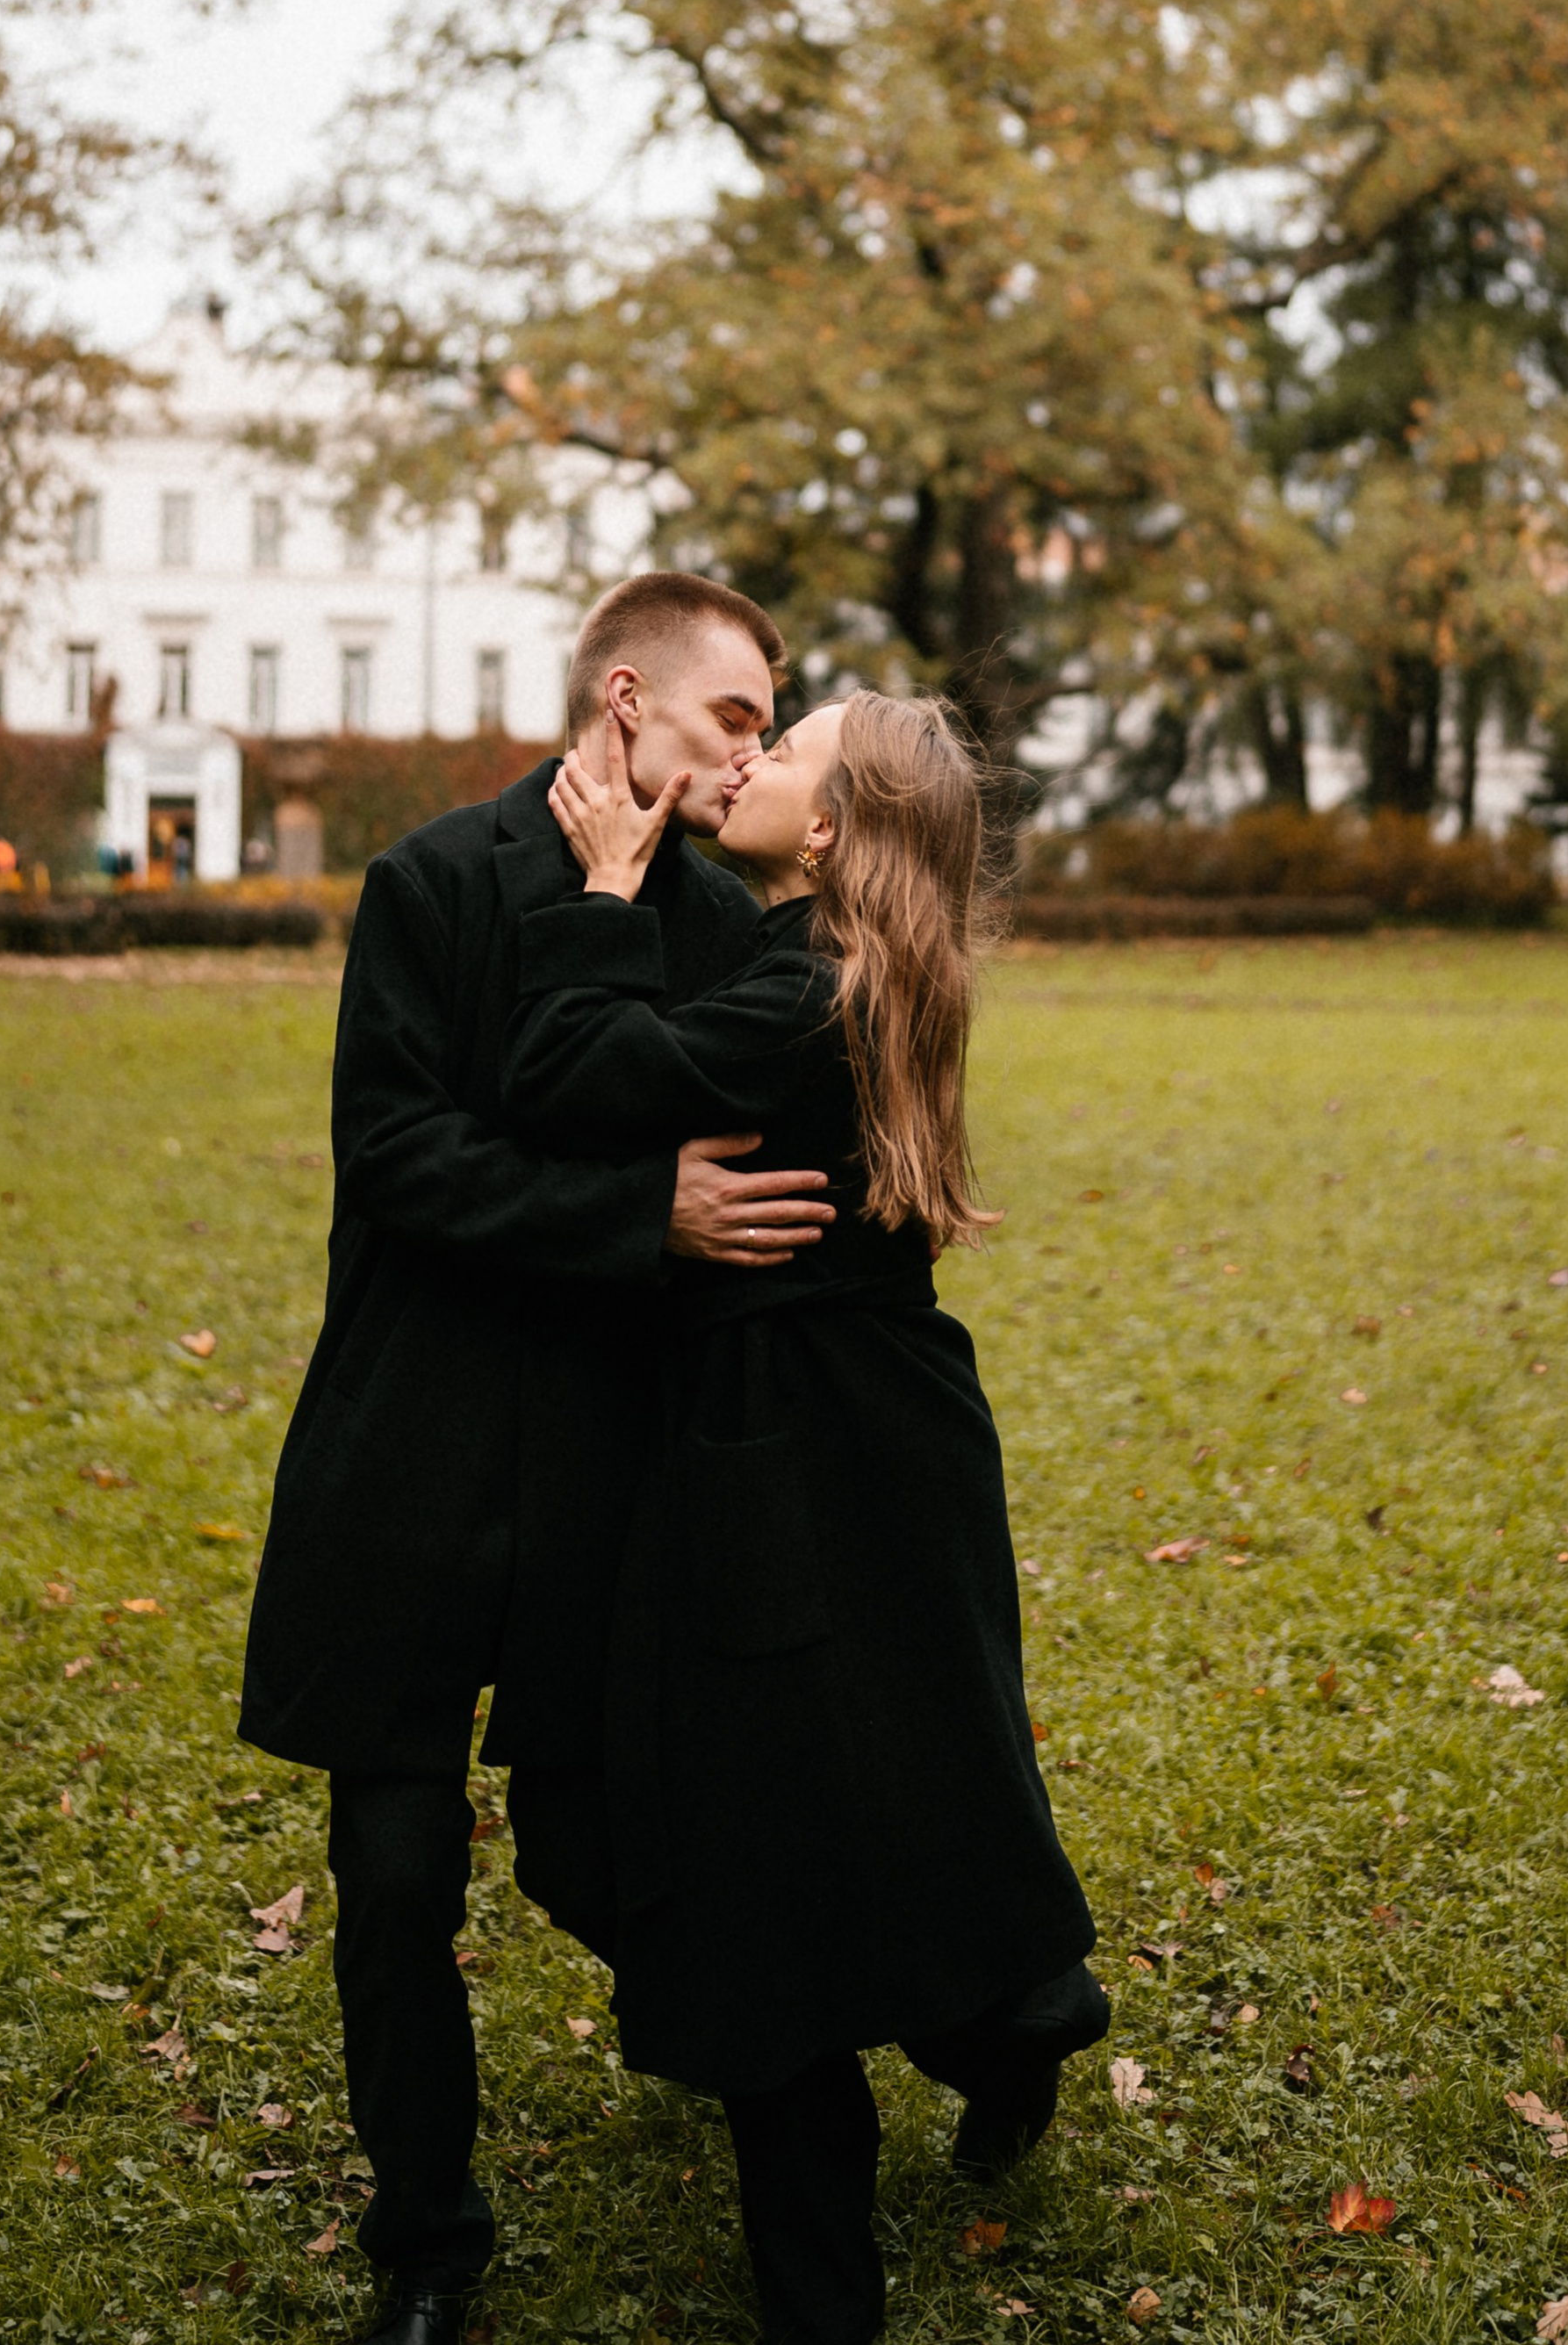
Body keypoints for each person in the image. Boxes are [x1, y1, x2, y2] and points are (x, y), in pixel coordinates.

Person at [239, 573, 838, 2345]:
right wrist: (637, 1211)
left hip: (612, 1469)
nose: (752, 755)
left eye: (769, 729)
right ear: (627, 700)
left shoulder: (724, 925)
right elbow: (397, 1157)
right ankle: (428, 2247)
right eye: (735, 717)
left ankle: (857, 2065)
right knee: (393, 1877)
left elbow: (772, 1153)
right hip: (407, 1452)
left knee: (623, 1848)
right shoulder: (429, 882)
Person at [493, 693, 1106, 2345]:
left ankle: (840, 2267)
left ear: (828, 836)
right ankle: (1014, 2017)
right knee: (854, 1794)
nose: (749, 761)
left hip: (802, 1445)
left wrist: (602, 891)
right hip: (849, 1430)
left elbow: (565, 1073)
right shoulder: (835, 967)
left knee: (768, 1854)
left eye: (786, 751)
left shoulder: (805, 994)